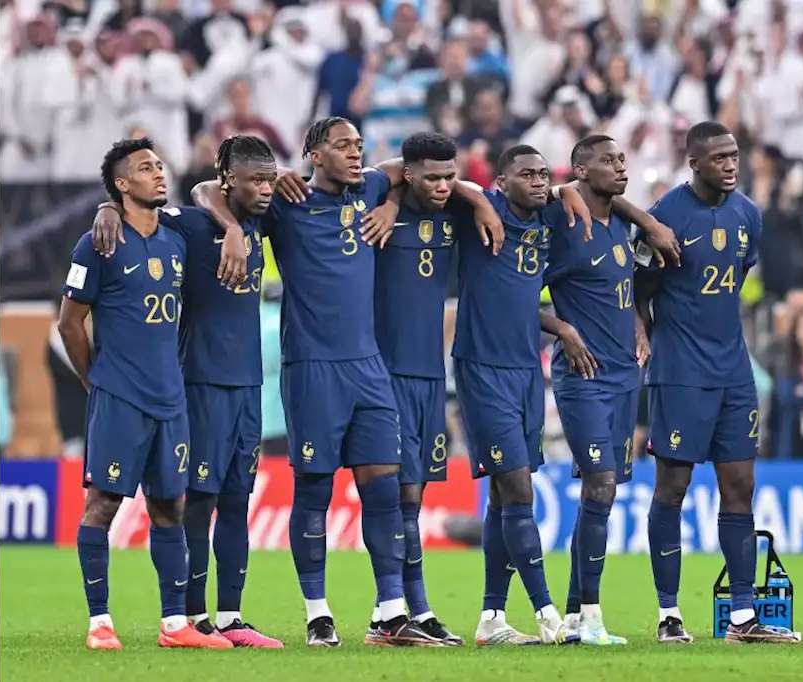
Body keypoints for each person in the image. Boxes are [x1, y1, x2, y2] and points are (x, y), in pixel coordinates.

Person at [189, 117, 497, 648]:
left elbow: (420, 172)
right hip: (313, 367)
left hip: (369, 368)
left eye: (358, 145)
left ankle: (390, 613)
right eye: (342, 146)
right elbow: (202, 189)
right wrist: (236, 227)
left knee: (384, 491)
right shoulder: (285, 200)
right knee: (315, 491)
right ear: (313, 153)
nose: (355, 154)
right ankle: (317, 613)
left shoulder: (374, 188)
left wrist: (454, 201)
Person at [91, 135, 285, 647]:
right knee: (196, 501)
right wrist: (106, 209)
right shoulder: (191, 224)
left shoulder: (265, 219)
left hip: (248, 386)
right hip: (198, 381)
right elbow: (168, 203)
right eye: (255, 179)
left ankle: (230, 617)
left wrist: (243, 229)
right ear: (229, 182)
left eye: (270, 179)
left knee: (238, 501)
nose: (266, 187)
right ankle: (192, 616)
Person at [635, 121, 798, 645]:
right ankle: (668, 613)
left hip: (733, 369)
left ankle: (744, 618)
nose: (731, 164)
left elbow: (738, 274)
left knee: (740, 487)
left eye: (735, 155)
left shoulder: (748, 214)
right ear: (694, 163)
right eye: (720, 157)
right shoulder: (665, 215)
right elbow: (641, 285)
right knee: (673, 487)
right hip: (680, 370)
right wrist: (643, 333)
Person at [61, 137, 227, 650]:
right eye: (145, 168)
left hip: (170, 399)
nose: (159, 172)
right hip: (120, 396)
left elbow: (210, 196)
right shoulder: (98, 243)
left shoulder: (175, 235)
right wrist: (98, 382)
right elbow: (70, 324)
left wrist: (107, 206)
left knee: (169, 508)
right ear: (121, 183)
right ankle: (99, 623)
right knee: (104, 504)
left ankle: (175, 626)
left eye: (160, 165)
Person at [454, 145, 579, 646]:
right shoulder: (483, 210)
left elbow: (522, 301)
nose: (539, 181)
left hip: (527, 368)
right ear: (502, 182)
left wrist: (559, 328)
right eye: (526, 174)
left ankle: (491, 619)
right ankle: (547, 612)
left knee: (504, 496)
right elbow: (445, 180)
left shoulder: (549, 216)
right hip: (482, 367)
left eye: (544, 174)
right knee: (519, 488)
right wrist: (479, 199)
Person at [539, 134, 646, 645]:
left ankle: (576, 611)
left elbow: (628, 288)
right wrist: (562, 328)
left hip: (626, 373)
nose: (619, 167)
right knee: (601, 485)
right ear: (581, 171)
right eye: (607, 161)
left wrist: (640, 326)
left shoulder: (623, 222)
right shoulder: (561, 219)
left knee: (599, 492)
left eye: (622, 159)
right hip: (582, 375)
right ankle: (593, 617)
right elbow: (514, 289)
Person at [369, 131, 469, 646]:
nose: (443, 185)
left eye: (449, 176)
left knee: (415, 494)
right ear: (406, 174)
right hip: (383, 373)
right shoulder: (375, 208)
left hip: (432, 374)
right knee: (398, 492)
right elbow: (381, 172)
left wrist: (467, 192)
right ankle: (398, 610)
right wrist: (388, 197)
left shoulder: (454, 211)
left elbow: (476, 188)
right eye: (431, 176)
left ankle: (410, 611)